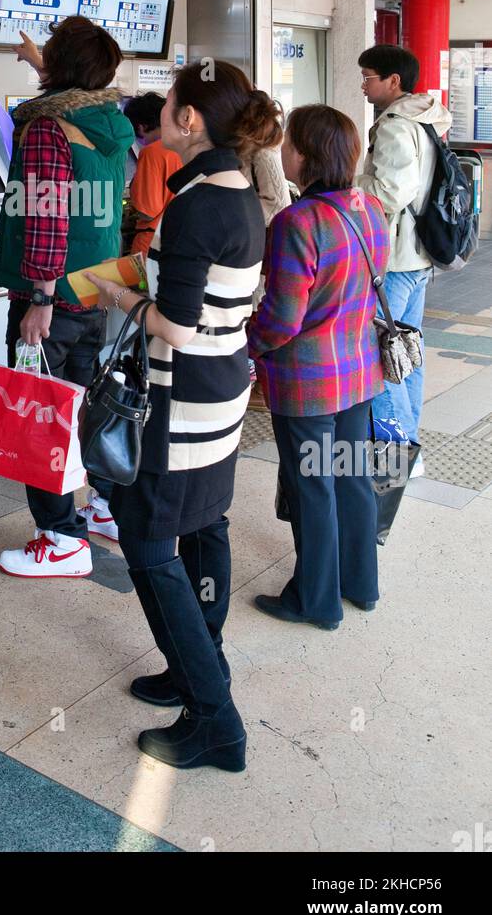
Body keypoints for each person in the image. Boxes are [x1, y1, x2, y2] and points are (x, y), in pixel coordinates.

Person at [84, 61, 280, 772]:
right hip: (220, 390)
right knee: (203, 525)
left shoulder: (199, 203)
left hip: (182, 394)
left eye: (170, 103)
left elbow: (178, 326)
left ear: (191, 119)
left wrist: (118, 295)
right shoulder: (236, 191)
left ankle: (215, 720)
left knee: (148, 541)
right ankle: (197, 662)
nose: (162, 110)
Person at [0, 18, 133, 573]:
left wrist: (39, 300)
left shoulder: (49, 129)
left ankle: (61, 538)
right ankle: (104, 508)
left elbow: (46, 214)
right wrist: (38, 61)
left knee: (40, 417)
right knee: (79, 409)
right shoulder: (108, 123)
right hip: (95, 291)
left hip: (51, 297)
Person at [248, 104, 389, 631]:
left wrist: (249, 344)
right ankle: (360, 584)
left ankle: (315, 601)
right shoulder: (369, 208)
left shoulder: (296, 222)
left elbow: (282, 318)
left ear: (306, 155)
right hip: (359, 370)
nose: (281, 152)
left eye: (287, 144)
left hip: (308, 382)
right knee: (352, 477)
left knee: (312, 487)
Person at [356, 44, 452, 476]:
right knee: (407, 353)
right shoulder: (426, 118)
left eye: (369, 76)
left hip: (394, 261)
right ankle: (409, 443)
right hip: (419, 257)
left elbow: (393, 192)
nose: (363, 84)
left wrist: (349, 185)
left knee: (383, 357)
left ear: (393, 81)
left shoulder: (395, 125)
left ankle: (397, 452)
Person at [122, 92, 182, 257]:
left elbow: (147, 210)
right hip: (179, 238)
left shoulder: (151, 152)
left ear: (141, 127)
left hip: (152, 241)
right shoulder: (185, 146)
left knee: (141, 283)